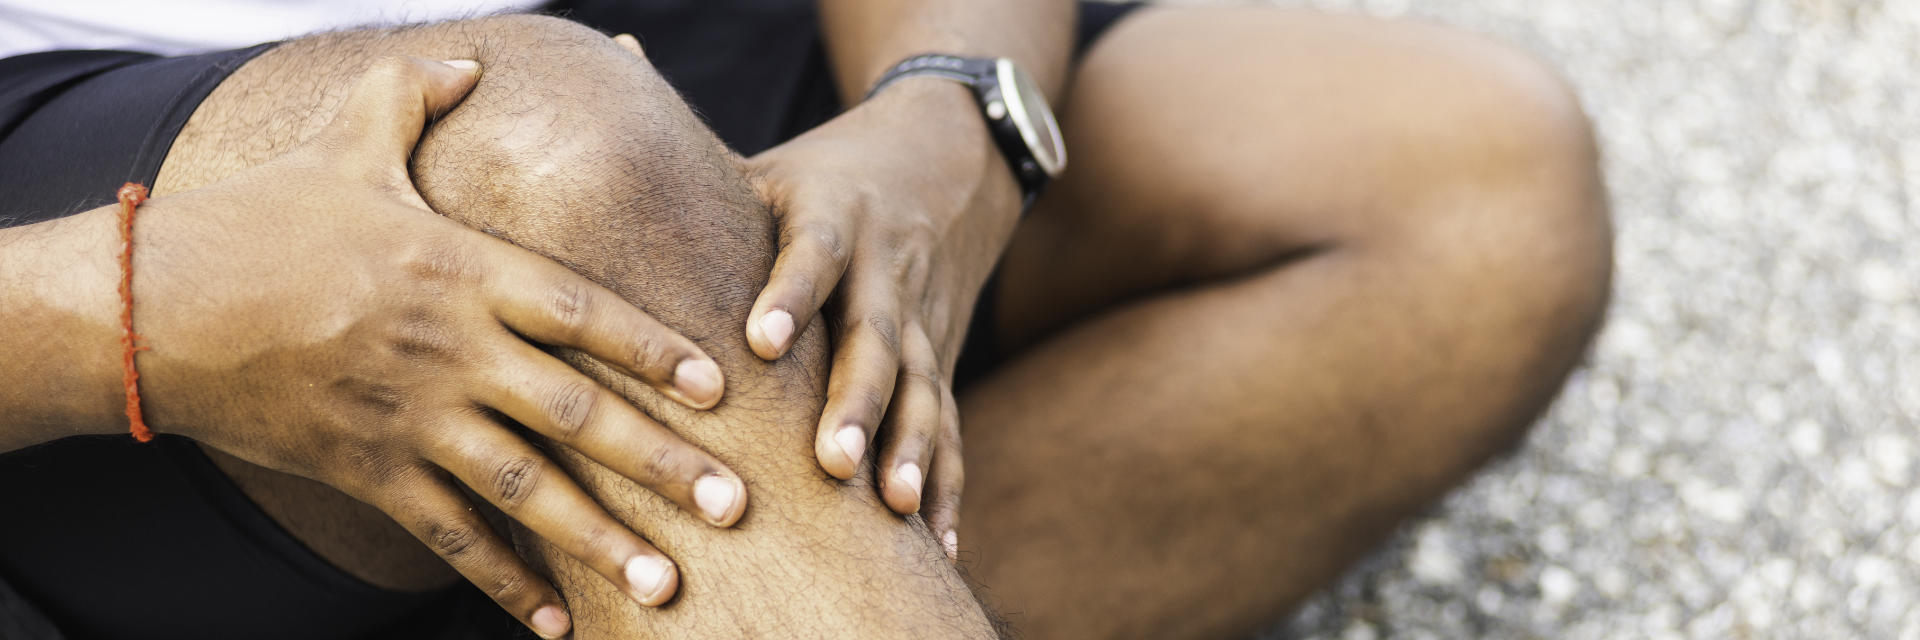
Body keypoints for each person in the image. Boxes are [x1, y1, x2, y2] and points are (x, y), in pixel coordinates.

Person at [0, 1, 1612, 638]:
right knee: (551, 170)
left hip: (671, 39)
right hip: (103, 209)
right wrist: (129, 309)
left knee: (1468, 191)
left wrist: (957, 118)